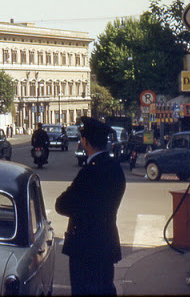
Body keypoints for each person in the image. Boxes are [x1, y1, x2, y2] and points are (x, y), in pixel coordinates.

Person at [55, 116, 126, 295]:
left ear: (85, 142)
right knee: (105, 288)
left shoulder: (89, 172)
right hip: (106, 241)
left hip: (85, 246)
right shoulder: (115, 168)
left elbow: (62, 204)